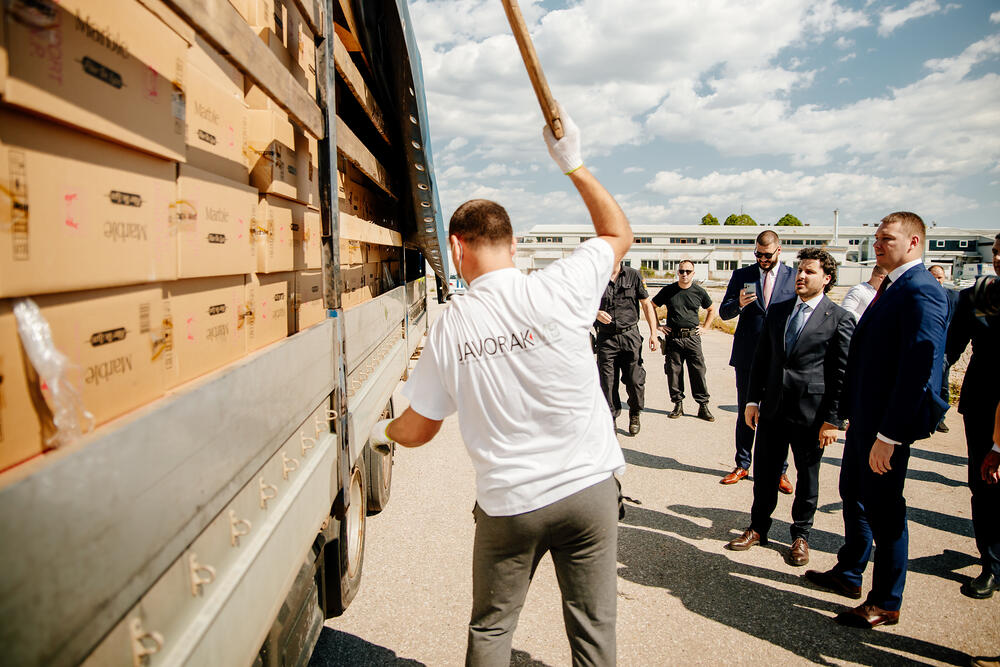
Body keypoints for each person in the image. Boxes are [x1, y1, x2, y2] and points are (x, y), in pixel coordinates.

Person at [369, 108, 629, 666]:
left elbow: (418, 430)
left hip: (511, 505)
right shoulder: (561, 287)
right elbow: (617, 233)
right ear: (512, 246)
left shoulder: (451, 327)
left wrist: (379, 431)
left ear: (456, 247)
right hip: (588, 489)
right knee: (594, 631)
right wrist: (572, 162)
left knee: (491, 628)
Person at [805, 212, 949, 629]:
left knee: (886, 512)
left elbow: (920, 367)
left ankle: (886, 601)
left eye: (887, 239)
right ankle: (849, 572)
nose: (878, 244)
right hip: (865, 421)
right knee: (853, 492)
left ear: (914, 242)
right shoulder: (893, 285)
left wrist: (890, 434)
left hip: (887, 427)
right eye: (877, 238)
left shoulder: (921, 289)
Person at [726, 249, 854, 566]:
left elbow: (842, 374)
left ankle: (800, 535)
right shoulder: (779, 310)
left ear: (827, 278)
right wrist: (752, 400)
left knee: (807, 478)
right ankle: (758, 527)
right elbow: (761, 359)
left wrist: (833, 420)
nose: (801, 276)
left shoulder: (839, 318)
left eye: (810, 271)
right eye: (799, 270)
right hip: (772, 410)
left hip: (811, 414)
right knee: (765, 473)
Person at [945, 233, 1000, 599]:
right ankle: (992, 564)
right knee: (984, 484)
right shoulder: (976, 296)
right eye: (996, 252)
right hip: (983, 403)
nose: (998, 259)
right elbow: (950, 349)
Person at [719, 230, 796, 490]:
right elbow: (724, 312)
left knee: (779, 415)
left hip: (780, 357)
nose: (762, 259)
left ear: (779, 250)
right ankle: (742, 464)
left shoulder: (793, 276)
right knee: (746, 410)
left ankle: (780, 470)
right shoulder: (742, 275)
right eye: (758, 254)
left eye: (767, 255)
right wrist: (739, 304)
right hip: (748, 356)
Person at [594, 259, 658, 435]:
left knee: (635, 380)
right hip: (606, 339)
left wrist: (653, 333)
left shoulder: (633, 275)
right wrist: (595, 313)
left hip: (630, 336)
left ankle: (635, 412)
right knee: (607, 383)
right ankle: (611, 419)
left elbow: (646, 304)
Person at [651, 259, 716, 421]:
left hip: (693, 338)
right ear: (677, 272)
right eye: (681, 271)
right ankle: (678, 404)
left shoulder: (699, 292)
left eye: (688, 271)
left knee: (698, 372)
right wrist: (657, 325)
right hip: (673, 339)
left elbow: (711, 309)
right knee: (674, 373)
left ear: (693, 273)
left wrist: (705, 327)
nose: (684, 274)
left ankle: (703, 406)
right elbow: (651, 306)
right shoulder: (669, 290)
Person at [930, 264, 960, 433]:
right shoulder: (923, 295)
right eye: (933, 277)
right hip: (926, 349)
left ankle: (940, 419)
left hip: (944, 351)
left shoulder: (954, 297)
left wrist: (950, 355)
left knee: (942, 386)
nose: (937, 280)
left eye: (940, 277)